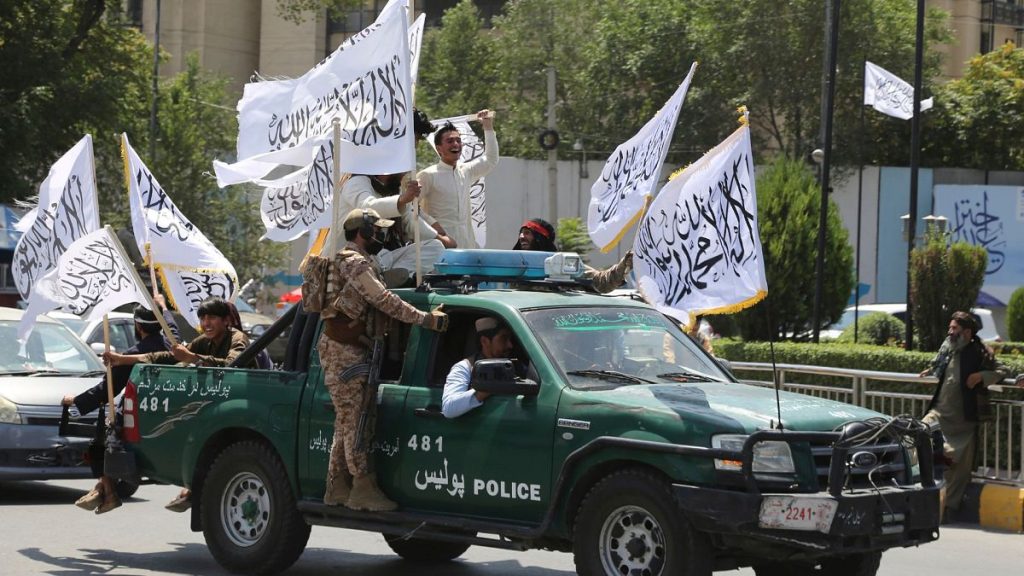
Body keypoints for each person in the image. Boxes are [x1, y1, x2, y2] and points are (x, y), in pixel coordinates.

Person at [318, 208, 449, 510]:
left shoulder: (358, 262)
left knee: (346, 422)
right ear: (363, 233)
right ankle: (363, 488)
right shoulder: (354, 263)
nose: (381, 235)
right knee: (356, 422)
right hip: (345, 350)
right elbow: (382, 299)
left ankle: (336, 486)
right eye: (376, 230)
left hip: (350, 347)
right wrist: (425, 319)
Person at [105, 296, 253, 512]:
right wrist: (122, 359)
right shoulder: (205, 341)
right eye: (202, 318)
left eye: (212, 318)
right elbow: (170, 356)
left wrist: (193, 358)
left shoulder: (237, 338)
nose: (206, 324)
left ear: (225, 320)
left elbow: (232, 364)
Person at [63, 296, 179, 514]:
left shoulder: (132, 355)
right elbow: (171, 326)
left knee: (100, 443)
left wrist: (75, 402)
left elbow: (106, 390)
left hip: (140, 415)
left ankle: (107, 490)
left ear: (137, 325)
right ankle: (102, 489)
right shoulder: (173, 344)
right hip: (170, 411)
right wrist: (163, 307)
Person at [919, 311, 1011, 521]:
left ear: (967, 332)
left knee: (958, 469)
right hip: (938, 414)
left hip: (963, 421)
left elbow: (1003, 370)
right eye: (950, 328)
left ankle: (948, 509)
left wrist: (981, 376)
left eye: (955, 329)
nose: (950, 332)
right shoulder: (948, 349)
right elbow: (940, 366)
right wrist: (930, 369)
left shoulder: (979, 352)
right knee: (919, 436)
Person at [339, 172, 450, 284]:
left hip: (379, 257)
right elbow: (368, 206)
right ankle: (383, 278)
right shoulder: (356, 182)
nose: (405, 174)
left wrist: (439, 238)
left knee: (436, 247)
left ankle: (391, 277)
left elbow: (409, 219)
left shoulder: (393, 189)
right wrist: (402, 199)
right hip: (348, 258)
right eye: (402, 171)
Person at [417, 110, 499, 249]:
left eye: (458, 140)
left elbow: (491, 160)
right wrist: (434, 226)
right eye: (450, 141)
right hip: (440, 245)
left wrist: (488, 127)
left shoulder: (465, 171)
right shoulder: (428, 175)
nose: (455, 144)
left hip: (467, 245)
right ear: (439, 149)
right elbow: (411, 207)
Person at [513, 217, 634, 294]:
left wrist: (623, 265)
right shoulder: (514, 266)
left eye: (527, 233)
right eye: (521, 233)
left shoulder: (562, 265)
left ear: (540, 238)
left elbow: (601, 282)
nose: (521, 237)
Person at [442, 317, 515, 418]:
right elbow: (448, 408)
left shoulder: (514, 366)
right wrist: (486, 389)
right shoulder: (465, 367)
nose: (510, 345)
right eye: (503, 338)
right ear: (484, 341)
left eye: (510, 339)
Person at [225, 300, 273, 369]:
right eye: (203, 318)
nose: (207, 323)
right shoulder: (206, 347)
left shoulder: (254, 347)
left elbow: (269, 374)